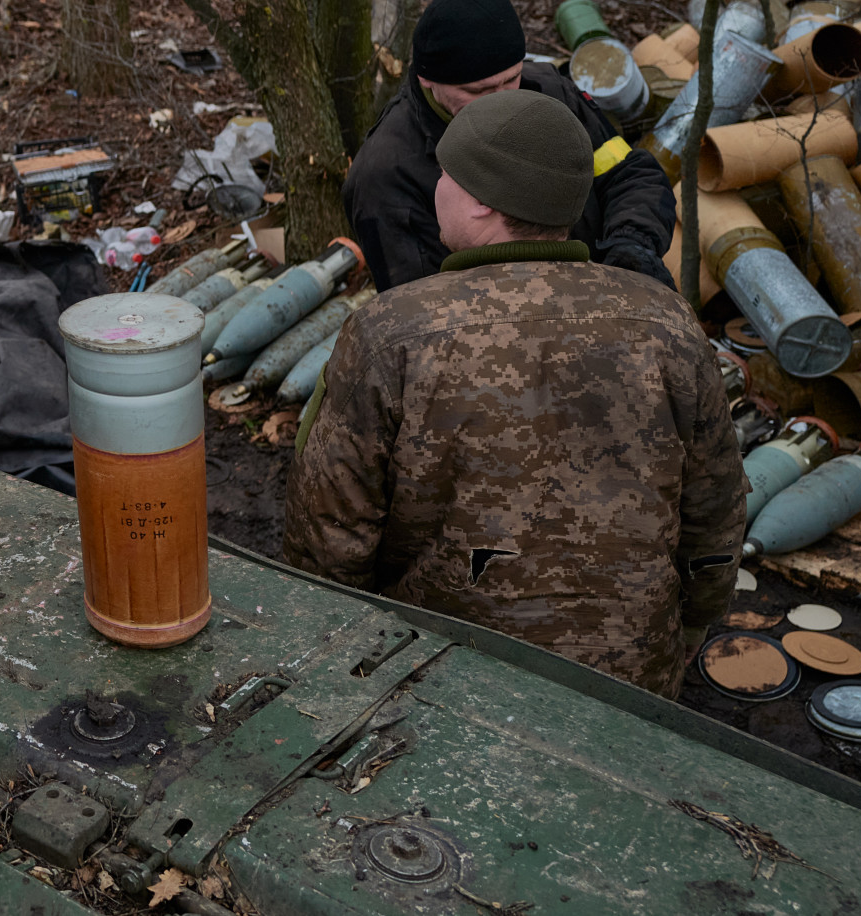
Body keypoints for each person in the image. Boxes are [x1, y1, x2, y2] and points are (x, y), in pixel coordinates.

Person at [284, 90, 745, 695]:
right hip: (628, 679)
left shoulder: (391, 333)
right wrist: (690, 627)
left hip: (441, 676)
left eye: (446, 173)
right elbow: (716, 510)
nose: (436, 185)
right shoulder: (667, 321)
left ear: (478, 203)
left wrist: (338, 655)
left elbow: (330, 532)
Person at [346, 0, 675, 291]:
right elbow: (418, 310)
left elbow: (630, 174)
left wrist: (631, 247)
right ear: (427, 81)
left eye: (511, 78)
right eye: (479, 90)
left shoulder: (549, 91)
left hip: (606, 293)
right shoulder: (385, 173)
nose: (502, 97)